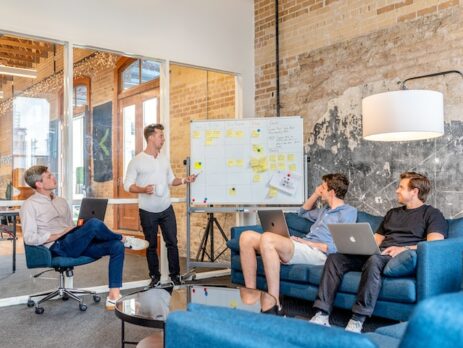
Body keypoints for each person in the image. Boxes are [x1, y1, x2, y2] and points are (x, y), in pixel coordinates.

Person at [310, 172, 448, 333]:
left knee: (374, 260)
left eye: (401, 187)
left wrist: (404, 248)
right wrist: (357, 247)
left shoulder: (432, 214)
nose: (396, 190)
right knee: (335, 258)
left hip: (399, 257)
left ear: (415, 191)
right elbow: (375, 240)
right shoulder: (392, 213)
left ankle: (357, 319)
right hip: (378, 254)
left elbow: (434, 244)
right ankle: (322, 313)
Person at [20, 165, 149, 310]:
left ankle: (113, 296)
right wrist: (58, 234)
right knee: (94, 224)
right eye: (49, 176)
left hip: (73, 241)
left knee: (115, 246)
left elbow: (69, 225)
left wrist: (78, 229)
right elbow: (29, 238)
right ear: (39, 184)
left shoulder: (61, 201)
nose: (53, 177)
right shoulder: (29, 205)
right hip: (58, 246)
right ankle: (124, 239)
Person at [239, 173, 357, 314]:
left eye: (323, 187)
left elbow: (338, 247)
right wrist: (315, 194)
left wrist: (307, 242)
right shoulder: (323, 211)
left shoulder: (348, 212)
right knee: (246, 237)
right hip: (304, 247)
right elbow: (302, 212)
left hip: (319, 253)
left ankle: (274, 302)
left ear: (332, 192)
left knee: (268, 238)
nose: (319, 189)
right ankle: (251, 293)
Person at [124, 123, 197, 287]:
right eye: (160, 136)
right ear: (150, 137)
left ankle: (175, 276)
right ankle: (155, 278)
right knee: (151, 246)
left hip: (166, 208)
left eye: (162, 136)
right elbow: (127, 185)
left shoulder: (164, 159)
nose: (163, 139)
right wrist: (143, 189)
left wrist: (185, 180)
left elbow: (171, 180)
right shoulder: (137, 161)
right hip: (147, 211)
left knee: (172, 242)